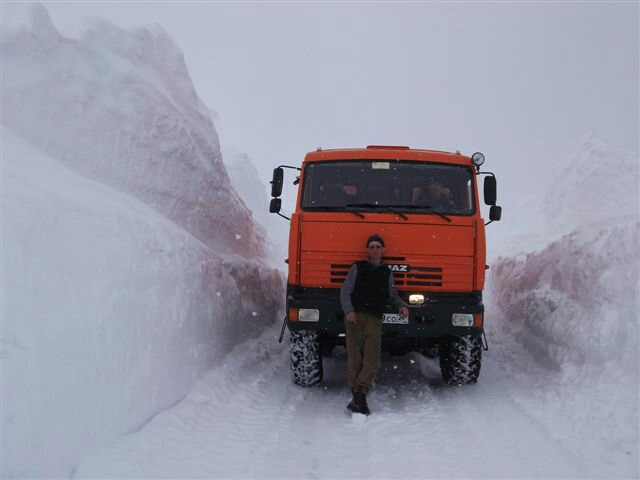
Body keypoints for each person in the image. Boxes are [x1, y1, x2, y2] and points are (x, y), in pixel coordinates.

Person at [339, 234, 409, 415]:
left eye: (378, 246)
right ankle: (359, 398)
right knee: (355, 358)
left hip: (375, 320)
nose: (375, 250)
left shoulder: (387, 272)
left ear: (383, 250)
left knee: (373, 361)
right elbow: (345, 291)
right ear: (367, 250)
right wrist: (348, 311)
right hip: (355, 318)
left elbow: (392, 295)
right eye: (372, 246)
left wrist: (401, 305)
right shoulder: (357, 267)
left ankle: (359, 393)